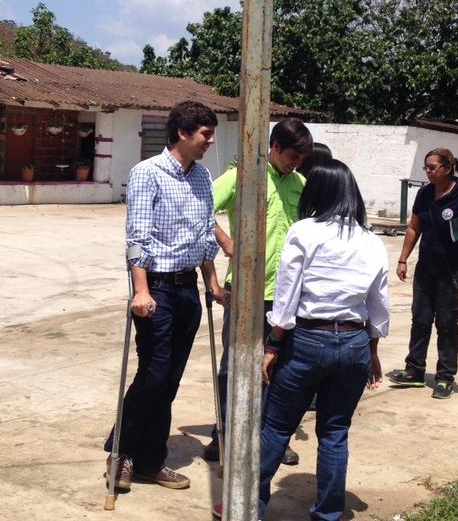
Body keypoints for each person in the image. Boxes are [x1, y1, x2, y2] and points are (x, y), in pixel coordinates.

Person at [256, 159, 389, 521]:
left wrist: (273, 344)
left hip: (307, 340)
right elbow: (379, 304)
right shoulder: (371, 241)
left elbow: (286, 296)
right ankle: (329, 512)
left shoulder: (304, 231)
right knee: (334, 431)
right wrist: (373, 351)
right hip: (354, 343)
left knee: (278, 426)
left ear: (318, 191)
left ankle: (250, 503)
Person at [106, 101, 226, 492]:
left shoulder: (203, 177)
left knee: (169, 380)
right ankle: (121, 453)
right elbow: (137, 238)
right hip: (155, 289)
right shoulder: (147, 174)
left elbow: (206, 235)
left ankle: (150, 461)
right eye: (205, 134)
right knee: (154, 374)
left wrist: (212, 283)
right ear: (182, 133)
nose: (210, 141)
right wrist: (140, 290)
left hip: (187, 289)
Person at [205, 118, 313, 465]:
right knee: (233, 365)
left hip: (285, 295)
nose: (296, 162)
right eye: (292, 155)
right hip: (245, 290)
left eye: (301, 157)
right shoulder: (243, 177)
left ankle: (271, 437)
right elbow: (199, 206)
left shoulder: (301, 183)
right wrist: (225, 241)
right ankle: (224, 434)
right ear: (275, 147)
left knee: (277, 367)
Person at [387, 148, 458, 400]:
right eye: (426, 167)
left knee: (447, 325)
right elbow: (413, 228)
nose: (428, 171)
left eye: (433, 167)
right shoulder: (425, 194)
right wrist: (403, 259)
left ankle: (444, 378)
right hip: (425, 270)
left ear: (448, 168)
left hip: (453, 274)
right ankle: (414, 371)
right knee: (420, 320)